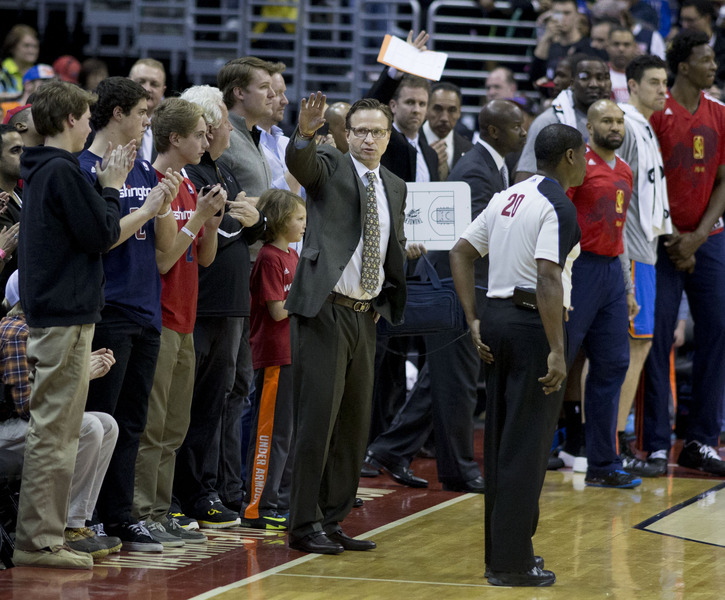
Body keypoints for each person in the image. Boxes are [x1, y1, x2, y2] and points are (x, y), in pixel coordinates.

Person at [364, 100, 527, 492]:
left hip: (468, 286)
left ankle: (389, 450)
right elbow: (472, 243)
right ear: (493, 131)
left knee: (440, 380)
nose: (523, 133)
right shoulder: (476, 171)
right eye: (516, 127)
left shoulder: (492, 166)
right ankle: (459, 470)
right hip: (460, 288)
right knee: (459, 382)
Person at [449, 122, 585, 587]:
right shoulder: (558, 204)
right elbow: (548, 276)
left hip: (496, 319)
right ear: (570, 156)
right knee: (526, 447)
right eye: (583, 155)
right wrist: (557, 349)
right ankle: (511, 563)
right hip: (533, 327)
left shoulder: (509, 195)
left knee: (502, 443)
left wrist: (473, 318)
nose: (586, 163)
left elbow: (461, 252)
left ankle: (505, 553)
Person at [13, 80, 131, 570]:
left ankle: (47, 535)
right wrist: (112, 187)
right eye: (85, 118)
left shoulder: (48, 168)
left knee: (60, 434)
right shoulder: (61, 169)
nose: (88, 126)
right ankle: (39, 542)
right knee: (55, 435)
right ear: (68, 120)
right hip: (62, 317)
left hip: (62, 315)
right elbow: (101, 233)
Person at [285, 94, 407, 555]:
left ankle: (332, 519)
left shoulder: (395, 184)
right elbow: (300, 164)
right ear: (347, 134)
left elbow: (392, 243)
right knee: (317, 422)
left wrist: (385, 298)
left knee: (354, 426)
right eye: (361, 131)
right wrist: (304, 132)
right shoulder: (330, 165)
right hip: (325, 310)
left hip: (365, 314)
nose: (369, 139)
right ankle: (303, 525)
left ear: (388, 137)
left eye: (377, 132)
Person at [79, 77, 181, 552]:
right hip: (109, 309)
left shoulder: (141, 168)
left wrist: (166, 207)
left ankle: (121, 516)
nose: (147, 122)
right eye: (142, 112)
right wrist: (146, 209)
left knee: (132, 423)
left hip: (146, 309)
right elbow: (102, 240)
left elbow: (163, 251)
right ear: (117, 112)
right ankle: (89, 518)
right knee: (100, 421)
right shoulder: (86, 169)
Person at [132, 97, 226, 542]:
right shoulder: (155, 184)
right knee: (153, 426)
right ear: (175, 138)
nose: (207, 141)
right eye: (200, 135)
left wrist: (212, 224)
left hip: (188, 317)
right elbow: (164, 260)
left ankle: (162, 508)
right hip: (161, 316)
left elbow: (203, 258)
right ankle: (141, 512)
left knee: (174, 427)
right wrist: (199, 219)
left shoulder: (189, 182)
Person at [173, 85, 265, 528]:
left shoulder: (222, 170)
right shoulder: (190, 174)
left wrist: (249, 220)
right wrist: (240, 220)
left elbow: (245, 226)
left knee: (217, 404)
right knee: (187, 406)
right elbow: (209, 231)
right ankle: (180, 493)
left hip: (231, 305)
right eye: (226, 122)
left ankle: (207, 490)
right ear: (207, 129)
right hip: (201, 304)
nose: (231, 129)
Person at [644, 30, 725, 476]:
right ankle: (657, 443)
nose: (713, 66)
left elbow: (724, 181)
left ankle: (702, 440)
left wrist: (697, 236)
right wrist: (677, 236)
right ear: (682, 66)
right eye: (705, 59)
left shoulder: (720, 112)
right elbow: (648, 183)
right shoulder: (656, 114)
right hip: (661, 239)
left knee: (719, 330)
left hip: (708, 237)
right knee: (657, 337)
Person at [0, 270, 121, 561]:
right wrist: (79, 376)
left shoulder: (43, 330)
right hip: (6, 431)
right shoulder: (17, 331)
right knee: (89, 426)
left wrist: (79, 373)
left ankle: (75, 524)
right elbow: (28, 406)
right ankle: (61, 527)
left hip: (22, 428)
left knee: (107, 424)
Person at [565, 99, 641, 489]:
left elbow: (620, 230)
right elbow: (559, 220)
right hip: (579, 268)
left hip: (611, 272)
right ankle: (534, 454)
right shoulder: (578, 166)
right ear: (590, 128)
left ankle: (602, 464)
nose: (615, 126)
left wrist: (627, 288)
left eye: (619, 121)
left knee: (613, 365)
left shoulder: (625, 170)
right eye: (607, 120)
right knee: (557, 360)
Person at [615, 55, 672, 476]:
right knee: (629, 350)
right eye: (654, 82)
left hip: (645, 252)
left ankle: (610, 441)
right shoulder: (627, 127)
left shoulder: (646, 125)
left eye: (664, 82)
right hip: (631, 254)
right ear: (632, 85)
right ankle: (611, 443)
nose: (663, 90)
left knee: (637, 348)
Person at [241, 189, 304, 530]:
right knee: (270, 433)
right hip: (274, 357)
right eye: (299, 218)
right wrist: (307, 300)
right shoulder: (269, 258)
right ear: (280, 221)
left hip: (292, 354)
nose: (304, 225)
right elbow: (278, 310)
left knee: (288, 434)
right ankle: (258, 506)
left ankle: (280, 500)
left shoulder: (292, 254)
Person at [516, 54, 610, 180]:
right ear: (572, 82)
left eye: (601, 78)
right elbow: (525, 176)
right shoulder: (548, 122)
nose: (594, 84)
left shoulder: (617, 124)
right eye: (585, 77)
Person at [421, 81, 473, 180]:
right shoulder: (410, 144)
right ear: (426, 109)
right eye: (438, 109)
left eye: (452, 110)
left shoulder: (469, 150)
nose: (444, 118)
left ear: (459, 113)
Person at [129, 58, 166, 163]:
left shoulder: (170, 131)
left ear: (163, 90)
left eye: (154, 84)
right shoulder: (113, 124)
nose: (147, 89)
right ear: (127, 83)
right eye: (141, 82)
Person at [0, 124, 22, 294]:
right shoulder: (2, 203)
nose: (24, 155)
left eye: (24, 149)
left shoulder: (22, 193)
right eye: (15, 150)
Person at [0, 25, 39, 101]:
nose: (32, 51)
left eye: (35, 46)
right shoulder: (2, 70)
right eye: (26, 46)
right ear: (12, 47)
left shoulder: (40, 73)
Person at [607, 26, 640, 102]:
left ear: (635, 46)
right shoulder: (600, 74)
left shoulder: (643, 75)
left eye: (626, 44)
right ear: (607, 46)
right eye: (616, 44)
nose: (621, 49)